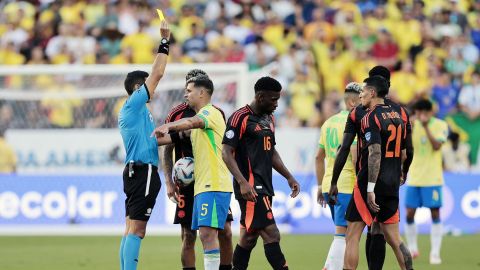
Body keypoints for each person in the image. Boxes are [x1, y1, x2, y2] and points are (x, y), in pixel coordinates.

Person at [328, 65, 413, 270]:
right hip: (392, 181)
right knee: (392, 237)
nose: (361, 95)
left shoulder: (361, 114)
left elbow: (347, 149)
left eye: (364, 90)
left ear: (373, 90)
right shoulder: (401, 112)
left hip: (369, 180)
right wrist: (404, 171)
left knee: (352, 235)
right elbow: (408, 149)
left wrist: (334, 181)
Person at [153, 75, 233, 270]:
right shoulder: (197, 122)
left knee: (210, 234)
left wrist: (168, 125)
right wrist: (143, 141)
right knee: (197, 234)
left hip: (213, 183)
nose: (185, 94)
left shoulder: (211, 114)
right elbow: (170, 140)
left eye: (189, 91)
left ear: (202, 92)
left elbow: (189, 123)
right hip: (200, 186)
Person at [222, 76, 300, 270]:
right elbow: (226, 152)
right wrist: (241, 182)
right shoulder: (240, 117)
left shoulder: (269, 118)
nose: (276, 104)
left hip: (265, 184)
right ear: (260, 96)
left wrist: (288, 176)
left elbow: (271, 150)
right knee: (272, 234)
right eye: (273, 99)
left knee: (249, 238)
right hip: (250, 186)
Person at [117, 20, 170, 270]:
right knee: (138, 230)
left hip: (134, 171)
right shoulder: (135, 104)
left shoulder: (139, 114)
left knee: (130, 227)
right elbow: (158, 73)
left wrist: (184, 134)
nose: (153, 86)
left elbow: (155, 139)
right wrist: (164, 41)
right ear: (138, 88)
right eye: (147, 84)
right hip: (144, 171)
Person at [315, 82, 361, 270]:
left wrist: (320, 186)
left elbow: (319, 157)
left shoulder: (328, 123)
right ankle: (330, 267)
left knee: (343, 232)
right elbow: (354, 153)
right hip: (346, 185)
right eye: (360, 102)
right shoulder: (353, 122)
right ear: (351, 103)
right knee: (345, 234)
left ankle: (332, 266)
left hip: (329, 186)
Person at [404, 98, 449, 265]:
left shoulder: (440, 125)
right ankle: (412, 248)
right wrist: (411, 126)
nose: (420, 116)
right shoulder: (412, 126)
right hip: (414, 177)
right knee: (409, 213)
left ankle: (435, 253)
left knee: (435, 213)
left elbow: (437, 146)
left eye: (424, 112)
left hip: (432, 178)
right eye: (418, 113)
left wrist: (425, 127)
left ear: (430, 112)